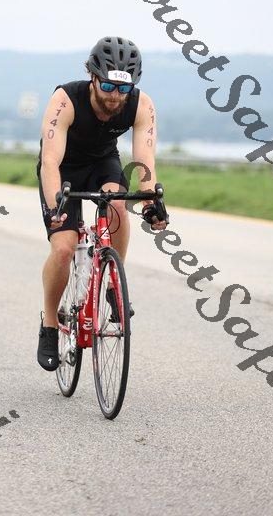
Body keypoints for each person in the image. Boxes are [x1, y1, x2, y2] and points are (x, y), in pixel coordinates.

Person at [36, 36, 168, 371]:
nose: (114, 96)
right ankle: (49, 323)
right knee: (63, 248)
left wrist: (150, 201)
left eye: (123, 89)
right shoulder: (66, 99)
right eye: (108, 86)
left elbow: (145, 160)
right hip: (63, 169)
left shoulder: (140, 104)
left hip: (102, 163)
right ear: (92, 77)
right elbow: (50, 161)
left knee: (118, 207)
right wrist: (56, 207)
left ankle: (112, 284)